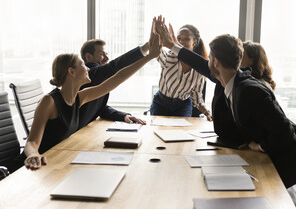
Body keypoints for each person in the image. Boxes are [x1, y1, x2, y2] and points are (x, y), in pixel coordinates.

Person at [155, 16, 296, 188]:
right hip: (274, 150)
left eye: (210, 59)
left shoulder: (249, 91)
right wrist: (171, 45)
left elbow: (285, 134)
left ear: (216, 62)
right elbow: (199, 63)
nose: (207, 62)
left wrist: (260, 146)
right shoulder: (227, 78)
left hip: (291, 159)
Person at [22, 21, 160, 170]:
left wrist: (149, 57)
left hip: (57, 161)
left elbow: (117, 78)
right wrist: (32, 154)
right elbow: (31, 143)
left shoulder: (80, 98)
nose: (88, 68)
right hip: (36, 165)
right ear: (71, 71)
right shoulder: (49, 101)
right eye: (83, 64)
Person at [78, 39, 148, 129]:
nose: (106, 58)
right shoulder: (92, 73)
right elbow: (114, 66)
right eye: (101, 54)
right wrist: (146, 48)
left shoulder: (97, 76)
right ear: (88, 56)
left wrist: (123, 116)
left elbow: (100, 108)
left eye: (106, 54)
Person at [150, 24, 212, 121]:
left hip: (182, 106)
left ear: (194, 42)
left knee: (181, 133)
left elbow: (196, 96)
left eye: (186, 39)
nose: (182, 42)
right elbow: (155, 51)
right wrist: (155, 33)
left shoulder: (199, 68)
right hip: (161, 103)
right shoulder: (169, 57)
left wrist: (207, 112)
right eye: (179, 39)